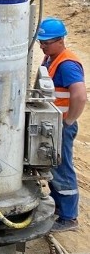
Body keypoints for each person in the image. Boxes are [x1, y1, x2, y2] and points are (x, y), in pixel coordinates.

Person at [37, 16, 86, 231]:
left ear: (60, 40)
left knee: (62, 167)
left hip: (62, 126)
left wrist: (69, 121)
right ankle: (59, 208)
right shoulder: (50, 59)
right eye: (41, 42)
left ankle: (68, 217)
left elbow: (80, 95)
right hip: (54, 124)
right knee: (53, 164)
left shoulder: (67, 64)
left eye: (46, 42)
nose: (42, 46)